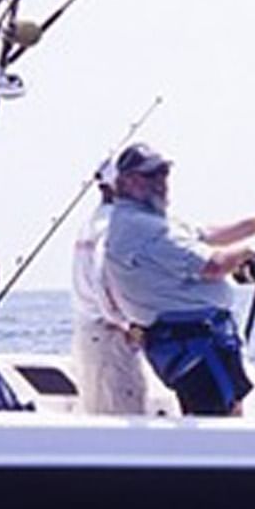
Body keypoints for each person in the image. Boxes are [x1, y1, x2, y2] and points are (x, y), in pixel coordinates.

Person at [101, 142, 255, 417]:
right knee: (221, 419)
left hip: (195, 342)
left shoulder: (147, 218)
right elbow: (211, 265)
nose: (162, 182)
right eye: (152, 175)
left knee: (226, 410)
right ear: (126, 181)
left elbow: (204, 235)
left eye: (164, 173)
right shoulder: (142, 228)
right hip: (195, 345)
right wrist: (245, 256)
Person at [69, 160, 148, 415]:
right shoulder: (113, 227)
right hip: (111, 337)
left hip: (90, 335)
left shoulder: (92, 223)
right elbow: (103, 279)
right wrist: (128, 325)